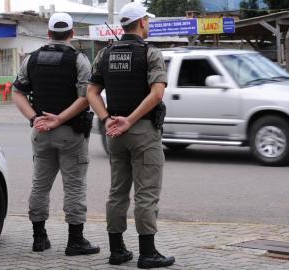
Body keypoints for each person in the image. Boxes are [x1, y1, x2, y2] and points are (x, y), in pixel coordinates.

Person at [87, 2, 175, 268]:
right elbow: (157, 93)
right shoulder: (151, 53)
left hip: (114, 131)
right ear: (142, 23)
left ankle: (117, 251)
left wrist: (107, 120)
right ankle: (148, 254)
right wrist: (130, 121)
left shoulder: (105, 54)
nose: (148, 24)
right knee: (146, 194)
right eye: (147, 20)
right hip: (142, 131)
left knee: (117, 191)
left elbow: (91, 92)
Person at [12, 12, 100, 256]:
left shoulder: (31, 59)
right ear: (71, 33)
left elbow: (17, 93)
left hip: (41, 132)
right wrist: (60, 119)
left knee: (40, 185)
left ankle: (39, 239)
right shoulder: (78, 60)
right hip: (70, 132)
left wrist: (34, 118)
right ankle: (75, 242)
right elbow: (86, 98)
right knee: (74, 187)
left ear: (49, 33)